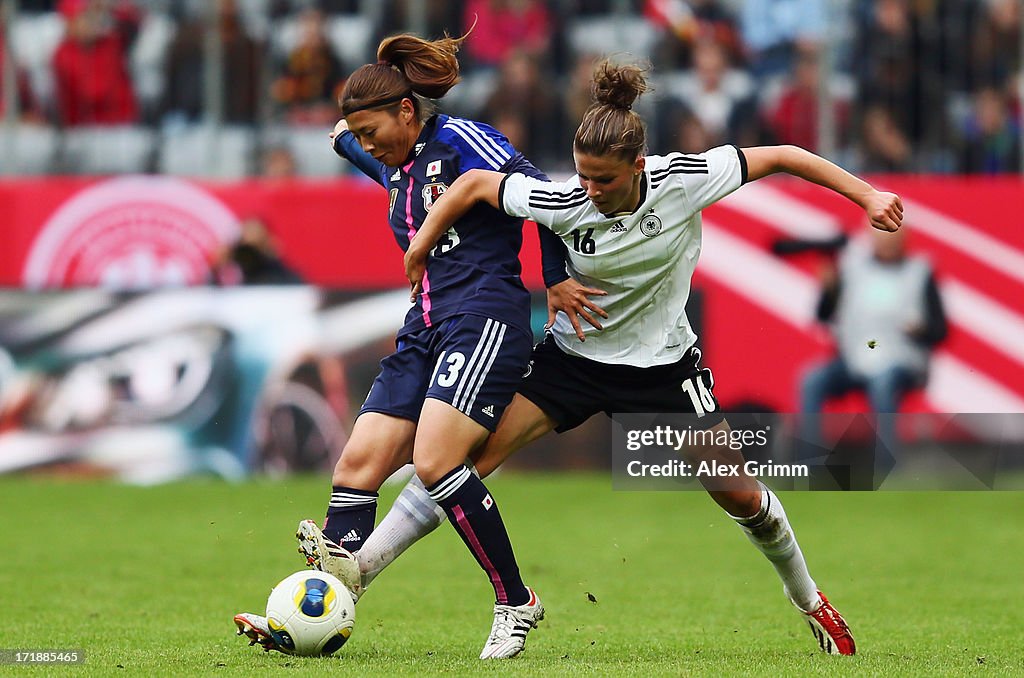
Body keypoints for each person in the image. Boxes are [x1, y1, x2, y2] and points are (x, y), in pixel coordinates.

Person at [293, 60, 905, 657]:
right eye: (582, 177)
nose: (590, 191)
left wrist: (866, 194)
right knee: (458, 462)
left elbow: (783, 155)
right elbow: (479, 186)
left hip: (664, 367)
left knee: (740, 495)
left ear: (638, 166)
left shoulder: (684, 179)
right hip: (575, 362)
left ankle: (807, 598)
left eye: (604, 181)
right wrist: (428, 238)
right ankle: (363, 571)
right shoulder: (567, 198)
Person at [233, 31, 574, 660]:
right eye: (360, 138)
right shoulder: (395, 160)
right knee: (355, 470)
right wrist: (350, 141)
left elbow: (549, 196)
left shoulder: (463, 141)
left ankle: (515, 601)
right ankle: (317, 610)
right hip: (422, 329)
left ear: (408, 112)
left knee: (437, 462)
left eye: (374, 133)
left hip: (483, 321)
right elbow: (365, 146)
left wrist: (554, 279)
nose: (369, 147)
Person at [799, 224, 947, 457]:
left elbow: (940, 330)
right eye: (883, 239)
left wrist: (920, 330)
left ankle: (884, 464)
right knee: (812, 380)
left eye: (893, 240)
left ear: (904, 242)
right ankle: (808, 461)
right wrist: (828, 291)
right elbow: (824, 315)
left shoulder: (918, 273)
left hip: (901, 360)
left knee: (883, 384)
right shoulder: (853, 270)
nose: (888, 245)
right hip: (853, 360)